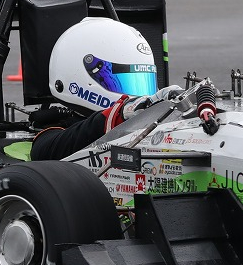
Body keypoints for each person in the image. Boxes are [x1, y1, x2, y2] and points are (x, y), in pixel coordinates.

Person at [30, 18, 180, 161]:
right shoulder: (56, 136)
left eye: (142, 81)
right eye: (123, 82)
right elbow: (44, 150)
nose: (139, 94)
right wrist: (125, 111)